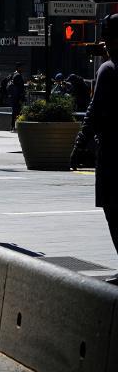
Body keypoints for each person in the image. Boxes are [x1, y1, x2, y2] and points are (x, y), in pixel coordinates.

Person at [71, 14, 118, 284]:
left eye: (108, 38)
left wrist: (79, 145)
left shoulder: (108, 70)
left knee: (113, 209)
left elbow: (94, 111)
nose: (105, 44)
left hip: (113, 152)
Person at [6, 62, 26, 129]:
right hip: (17, 97)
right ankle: (16, 126)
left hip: (12, 96)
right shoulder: (18, 76)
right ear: (18, 68)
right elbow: (21, 88)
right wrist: (21, 97)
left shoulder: (13, 74)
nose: (23, 68)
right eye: (21, 67)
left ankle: (13, 126)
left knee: (15, 111)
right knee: (17, 111)